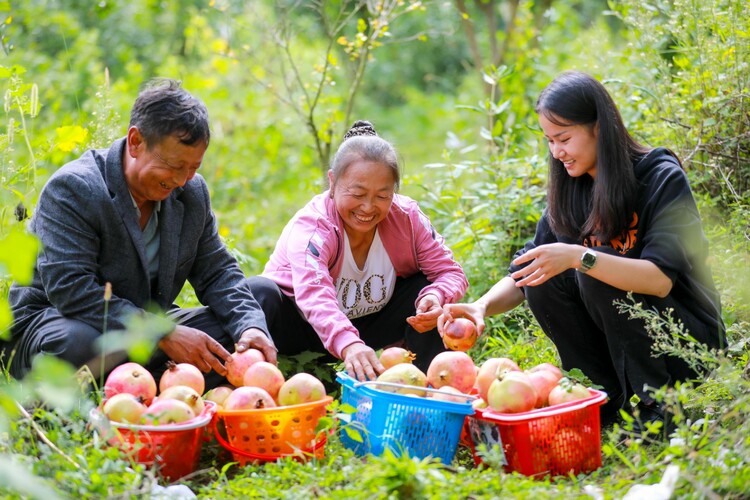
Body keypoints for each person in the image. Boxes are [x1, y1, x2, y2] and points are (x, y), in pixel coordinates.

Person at [440, 71, 725, 431]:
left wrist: (579, 257)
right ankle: (601, 400)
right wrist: (480, 306)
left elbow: (659, 281)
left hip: (687, 342)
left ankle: (661, 408)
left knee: (592, 273)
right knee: (545, 279)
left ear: (599, 129)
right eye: (549, 141)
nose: (556, 152)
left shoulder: (659, 178)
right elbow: (528, 269)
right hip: (626, 344)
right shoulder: (573, 191)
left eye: (563, 138)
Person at [3, 78, 276, 389]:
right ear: (135, 141)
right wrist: (162, 333)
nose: (183, 180)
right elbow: (71, 291)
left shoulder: (191, 192)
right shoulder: (74, 189)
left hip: (143, 330)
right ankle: (153, 379)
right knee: (79, 341)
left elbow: (217, 271)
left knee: (263, 298)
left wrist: (249, 328)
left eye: (193, 167)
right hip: (59, 324)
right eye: (174, 165)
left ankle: (147, 383)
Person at [248, 120, 468, 381]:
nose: (368, 207)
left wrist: (435, 296)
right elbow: (313, 293)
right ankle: (259, 378)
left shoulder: (406, 217)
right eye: (358, 193)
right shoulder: (314, 227)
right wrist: (348, 343)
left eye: (382, 196)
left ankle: (427, 385)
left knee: (424, 288)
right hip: (304, 329)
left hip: (366, 324)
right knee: (258, 291)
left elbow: (450, 272)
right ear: (332, 182)